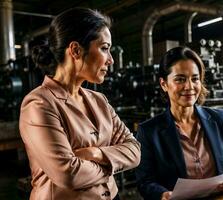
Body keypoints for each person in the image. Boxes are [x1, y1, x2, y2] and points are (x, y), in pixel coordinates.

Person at [19, 8, 140, 200]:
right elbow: (69, 174)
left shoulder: (99, 100)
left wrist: (97, 153)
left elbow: (134, 150)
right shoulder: (39, 104)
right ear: (75, 50)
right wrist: (113, 163)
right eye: (104, 48)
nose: (111, 60)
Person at [135, 46, 223, 200]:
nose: (189, 86)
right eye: (180, 79)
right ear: (164, 84)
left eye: (195, 79)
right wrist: (163, 194)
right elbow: (145, 182)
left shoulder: (221, 119)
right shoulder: (149, 131)